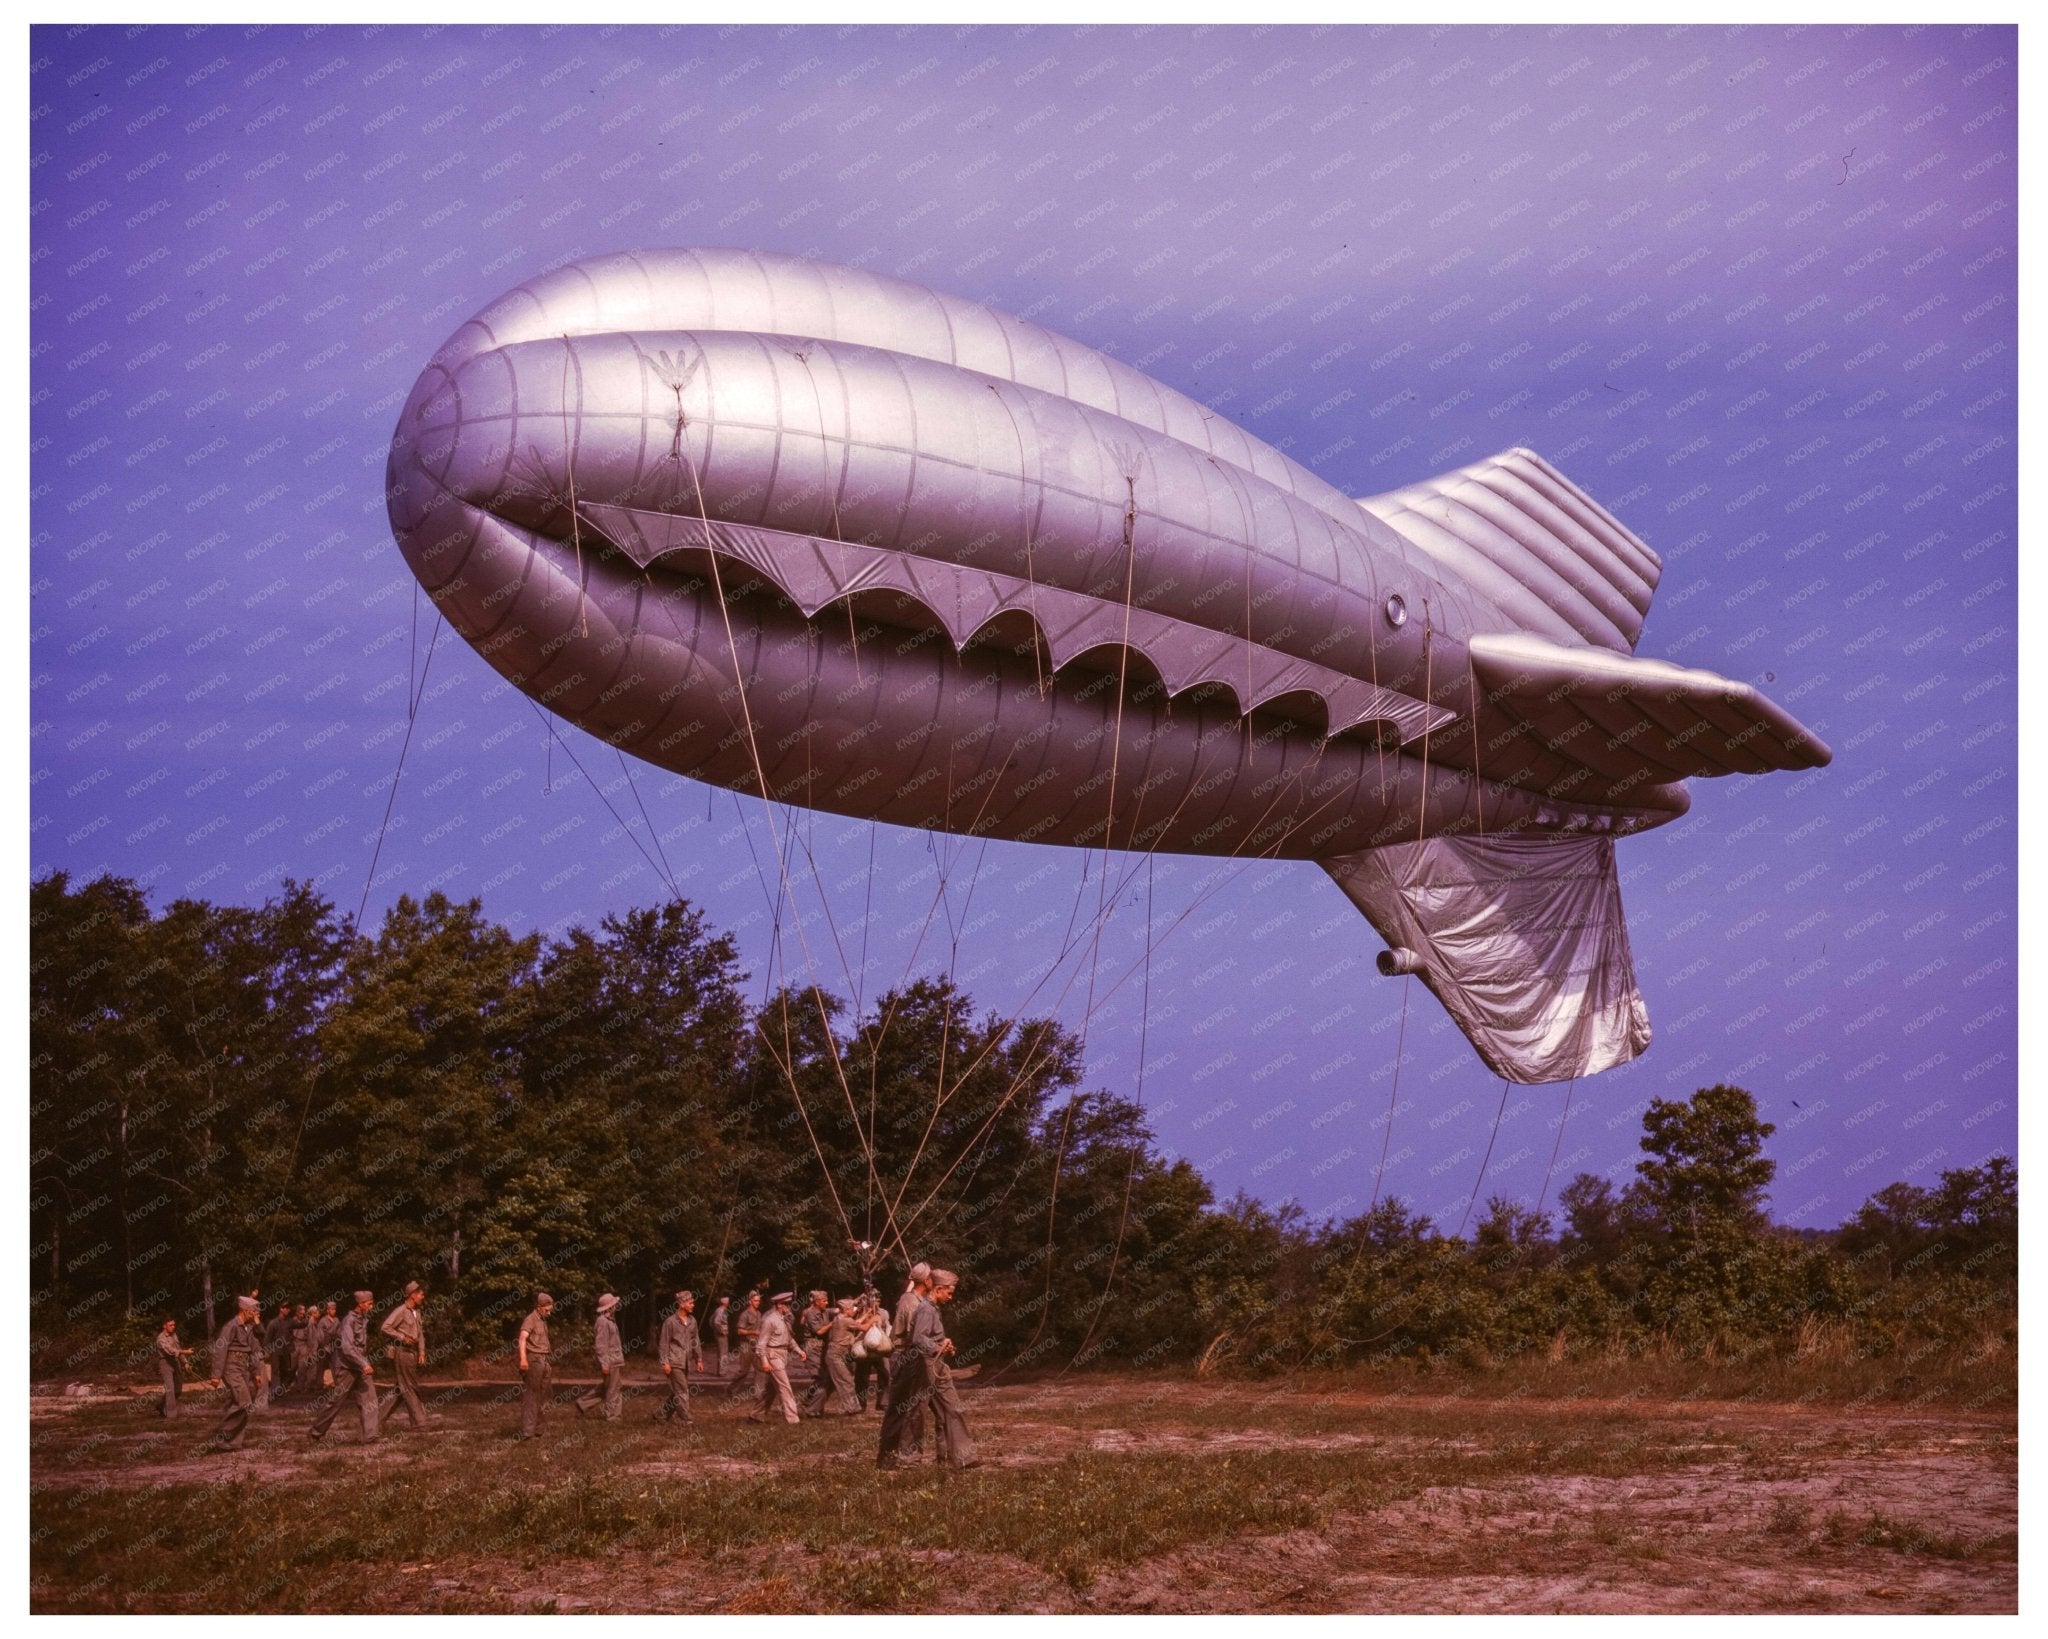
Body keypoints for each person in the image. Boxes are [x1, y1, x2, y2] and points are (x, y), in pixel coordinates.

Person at [921, 1270, 979, 1468]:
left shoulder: (934, 1309)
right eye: (949, 1293)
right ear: (938, 1289)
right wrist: (938, 1347)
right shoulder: (925, 1310)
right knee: (917, 1412)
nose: (951, 1297)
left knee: (951, 1408)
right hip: (927, 1366)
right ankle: (906, 1457)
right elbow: (918, 1339)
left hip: (938, 1364)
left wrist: (943, 1345)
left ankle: (958, 1458)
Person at [308, 1291, 379, 1444]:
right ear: (360, 1304)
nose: (372, 1306)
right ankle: (316, 1432)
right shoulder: (348, 1321)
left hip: (359, 1364)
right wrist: (364, 1363)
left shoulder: (363, 1319)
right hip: (346, 1366)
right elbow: (347, 1348)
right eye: (369, 1304)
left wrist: (362, 1362)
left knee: (369, 1399)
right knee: (336, 1401)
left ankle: (370, 1436)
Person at [879, 1264, 932, 1463]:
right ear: (926, 1281)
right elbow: (916, 1334)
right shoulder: (911, 1303)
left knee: (909, 1407)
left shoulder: (912, 1299)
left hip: (908, 1354)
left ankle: (896, 1454)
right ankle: (892, 1455)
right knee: (902, 1407)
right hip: (905, 1355)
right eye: (931, 1278)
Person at [203, 1296, 264, 1453]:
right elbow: (220, 1350)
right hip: (231, 1367)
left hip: (244, 1367)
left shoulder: (250, 1328)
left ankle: (233, 1442)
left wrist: (257, 1372)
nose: (257, 1313)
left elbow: (255, 1350)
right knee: (244, 1402)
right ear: (244, 1310)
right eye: (254, 1311)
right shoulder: (230, 1327)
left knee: (237, 1403)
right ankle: (222, 1436)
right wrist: (216, 1375)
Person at [748, 1291, 805, 1425]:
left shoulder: (784, 1319)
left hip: (782, 1354)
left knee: (771, 1390)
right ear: (779, 1305)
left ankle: (756, 1414)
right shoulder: (770, 1320)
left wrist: (799, 1350)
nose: (789, 1307)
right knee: (785, 1387)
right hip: (773, 1356)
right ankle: (793, 1419)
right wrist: (764, 1362)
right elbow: (761, 1344)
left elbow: (789, 1339)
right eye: (787, 1304)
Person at [378, 1281, 429, 1431]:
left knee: (400, 1389)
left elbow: (420, 1335)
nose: (423, 1296)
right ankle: (419, 1423)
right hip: (403, 1353)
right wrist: (401, 1337)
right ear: (412, 1295)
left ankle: (375, 1420)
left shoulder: (417, 1312)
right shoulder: (401, 1311)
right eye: (420, 1294)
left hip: (412, 1353)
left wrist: (421, 1352)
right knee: (410, 1386)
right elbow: (385, 1327)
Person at [804, 1295, 862, 1417]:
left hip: (829, 1351)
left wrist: (859, 1300)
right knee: (846, 1381)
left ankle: (812, 1409)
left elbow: (844, 1310)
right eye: (824, 1300)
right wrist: (872, 1319)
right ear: (817, 1301)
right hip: (818, 1348)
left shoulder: (832, 1313)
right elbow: (819, 1331)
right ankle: (853, 1409)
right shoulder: (811, 1313)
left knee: (827, 1383)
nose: (827, 1302)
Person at [655, 1289, 702, 1425]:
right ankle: (686, 1420)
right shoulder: (670, 1322)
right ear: (682, 1304)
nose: (693, 1305)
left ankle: (661, 1414)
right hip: (674, 1362)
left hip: (686, 1362)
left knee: (678, 1390)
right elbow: (663, 1343)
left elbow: (696, 1340)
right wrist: (665, 1363)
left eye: (693, 1302)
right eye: (690, 1302)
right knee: (682, 1390)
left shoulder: (693, 1321)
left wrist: (699, 1359)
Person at [576, 1293, 625, 1420]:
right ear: (609, 1306)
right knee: (613, 1389)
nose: (616, 1306)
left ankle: (583, 1403)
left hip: (614, 1360)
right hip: (610, 1361)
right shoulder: (602, 1322)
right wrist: (604, 1363)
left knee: (609, 1387)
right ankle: (613, 1416)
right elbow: (601, 1345)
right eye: (614, 1304)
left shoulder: (609, 1320)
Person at [517, 1292, 555, 1439]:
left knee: (546, 1395)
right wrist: (523, 1360)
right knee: (532, 1396)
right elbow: (522, 1339)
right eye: (547, 1310)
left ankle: (539, 1430)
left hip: (544, 1360)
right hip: (533, 1361)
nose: (549, 1313)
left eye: (550, 1310)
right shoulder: (530, 1319)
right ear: (539, 1307)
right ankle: (527, 1432)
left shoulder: (543, 1320)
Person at [850, 1288, 890, 1413]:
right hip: (863, 1347)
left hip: (879, 1348)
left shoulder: (883, 1313)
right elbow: (847, 1312)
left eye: (878, 1299)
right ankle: (861, 1404)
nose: (876, 1302)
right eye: (873, 1299)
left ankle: (883, 1402)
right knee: (861, 1377)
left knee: (885, 1374)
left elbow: (887, 1327)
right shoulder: (859, 1311)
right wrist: (858, 1303)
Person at [256, 1300, 294, 1409]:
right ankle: (275, 1392)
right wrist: (267, 1350)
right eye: (285, 1307)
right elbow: (267, 1337)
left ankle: (281, 1390)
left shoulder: (289, 1322)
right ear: (280, 1309)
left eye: (288, 1308)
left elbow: (299, 1325)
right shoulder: (273, 1323)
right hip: (276, 1351)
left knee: (286, 1370)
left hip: (286, 1351)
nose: (287, 1309)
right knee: (275, 1371)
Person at [727, 1290, 763, 1398]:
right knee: (744, 1371)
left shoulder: (759, 1314)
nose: (758, 1303)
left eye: (759, 1301)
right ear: (750, 1301)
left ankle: (758, 1393)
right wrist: (753, 1332)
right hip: (746, 1345)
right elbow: (739, 1331)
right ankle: (731, 1389)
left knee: (760, 1370)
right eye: (755, 1301)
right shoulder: (744, 1315)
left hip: (756, 1345)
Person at [155, 1316, 192, 1419]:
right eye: (170, 1325)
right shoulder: (160, 1338)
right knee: (170, 1389)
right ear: (164, 1326)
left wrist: (185, 1363)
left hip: (175, 1362)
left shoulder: (174, 1335)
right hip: (165, 1363)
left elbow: (178, 1348)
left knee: (178, 1390)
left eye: (174, 1325)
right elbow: (170, 1350)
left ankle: (161, 1405)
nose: (173, 1327)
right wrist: (185, 1351)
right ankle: (171, 1416)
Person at [288, 1304, 315, 1397]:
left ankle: (300, 1387)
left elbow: (311, 1337)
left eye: (303, 1313)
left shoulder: (308, 1322)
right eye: (300, 1313)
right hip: (294, 1344)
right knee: (291, 1367)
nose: (302, 1315)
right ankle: (290, 1384)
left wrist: (311, 1351)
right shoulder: (292, 1321)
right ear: (296, 1313)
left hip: (303, 1345)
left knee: (302, 1368)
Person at [707, 1296, 731, 1377]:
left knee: (722, 1352)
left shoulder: (720, 1310)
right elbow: (716, 1322)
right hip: (721, 1334)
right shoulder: (721, 1310)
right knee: (723, 1353)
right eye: (727, 1301)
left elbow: (711, 1320)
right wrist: (721, 1331)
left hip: (720, 1333)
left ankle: (721, 1370)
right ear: (725, 1302)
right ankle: (722, 1371)